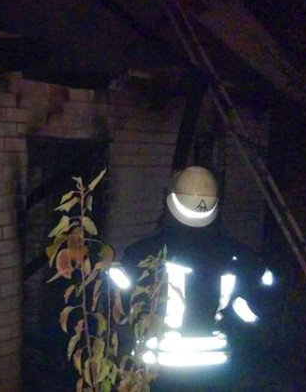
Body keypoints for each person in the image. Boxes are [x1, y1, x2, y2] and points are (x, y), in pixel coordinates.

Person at [111, 166, 273, 391]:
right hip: (217, 375)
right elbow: (257, 314)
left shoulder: (139, 253)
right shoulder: (241, 257)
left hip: (156, 375)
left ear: (170, 201)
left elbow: (120, 313)